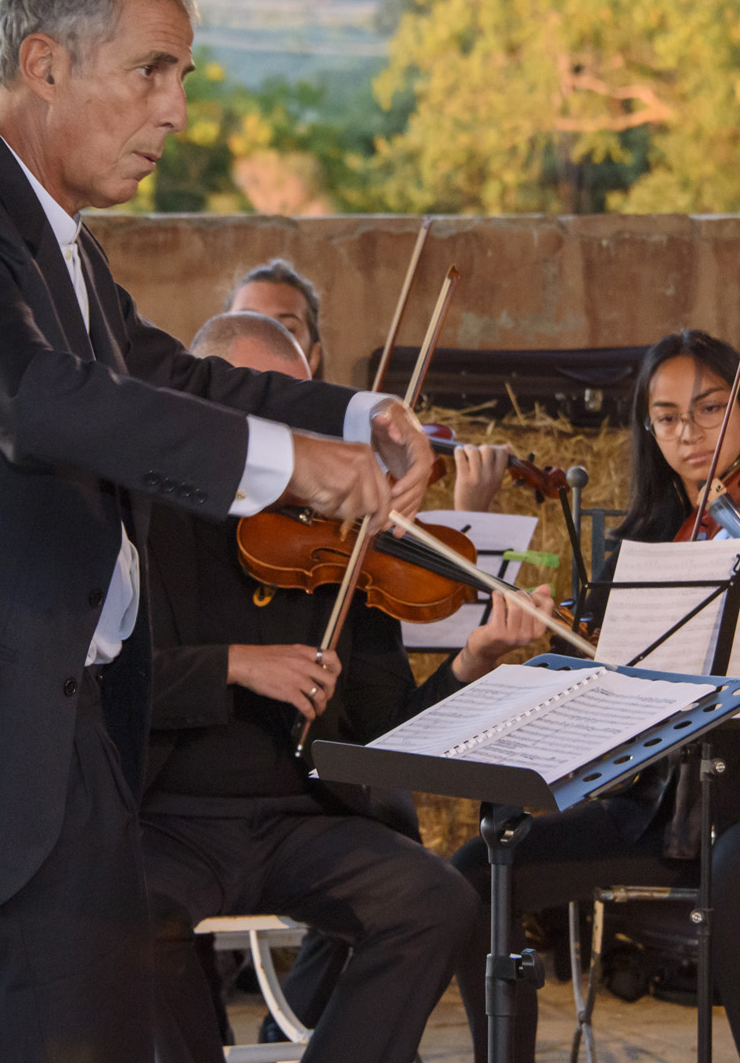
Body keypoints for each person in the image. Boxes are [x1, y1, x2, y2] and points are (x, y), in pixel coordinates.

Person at [0, 0, 434, 1063]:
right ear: (44, 65)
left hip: (50, 717)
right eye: (151, 71)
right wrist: (283, 470)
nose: (174, 111)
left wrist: (345, 415)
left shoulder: (53, 241)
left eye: (182, 77)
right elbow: (32, 398)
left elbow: (162, 374)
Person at [142, 309, 543, 1063]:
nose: (299, 439)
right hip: (165, 817)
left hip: (300, 820)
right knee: (122, 910)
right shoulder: (144, 521)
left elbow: (388, 729)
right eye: (272, 410)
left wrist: (474, 659)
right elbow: (96, 682)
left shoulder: (345, 543)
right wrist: (229, 664)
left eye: (306, 412)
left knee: (437, 900)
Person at [451, 329, 740, 1063]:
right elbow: (608, 699)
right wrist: (568, 646)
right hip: (663, 816)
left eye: (708, 409)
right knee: (477, 872)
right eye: (666, 416)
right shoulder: (642, 537)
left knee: (734, 893)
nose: (688, 433)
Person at [223, 257, 515, 507]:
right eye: (248, 324)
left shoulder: (355, 444)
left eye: (286, 328)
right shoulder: (201, 447)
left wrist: (471, 514)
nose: (267, 340)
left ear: (313, 355)